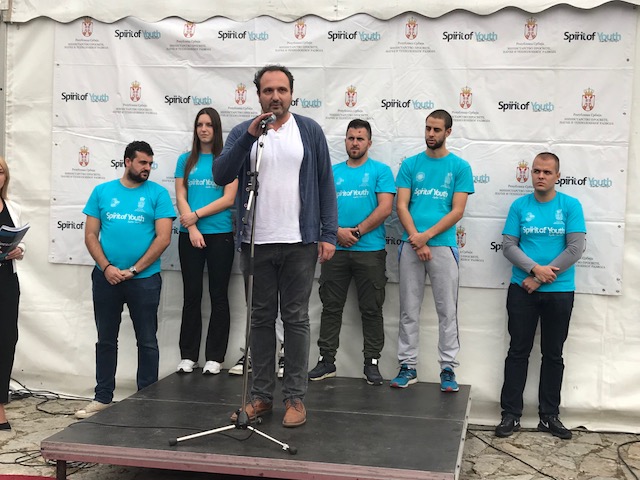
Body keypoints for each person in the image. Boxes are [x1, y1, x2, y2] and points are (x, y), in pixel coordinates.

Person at [213, 64, 337, 428]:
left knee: (295, 318)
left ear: (291, 94)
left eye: (282, 90)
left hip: (300, 243)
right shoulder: (245, 132)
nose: (275, 96)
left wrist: (329, 234)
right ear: (258, 96)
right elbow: (221, 174)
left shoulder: (309, 130)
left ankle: (295, 397)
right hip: (256, 243)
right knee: (260, 320)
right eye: (268, 90)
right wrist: (249, 138)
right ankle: (261, 397)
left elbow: (325, 183)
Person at [75, 141, 175, 419]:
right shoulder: (102, 192)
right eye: (142, 162)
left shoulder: (158, 194)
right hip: (105, 278)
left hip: (144, 280)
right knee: (106, 340)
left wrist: (133, 270)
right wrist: (106, 267)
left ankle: (146, 401)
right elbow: (90, 235)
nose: (147, 168)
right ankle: (102, 397)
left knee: (147, 340)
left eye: (150, 164)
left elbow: (163, 238)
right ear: (127, 162)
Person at [495, 152, 586, 440]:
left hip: (559, 291)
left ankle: (549, 416)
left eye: (547, 172)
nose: (540, 176)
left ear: (557, 176)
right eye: (536, 171)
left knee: (553, 354)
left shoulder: (570, 205)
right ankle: (511, 414)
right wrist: (534, 270)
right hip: (522, 291)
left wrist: (540, 278)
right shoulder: (519, 206)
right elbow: (508, 245)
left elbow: (575, 248)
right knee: (518, 351)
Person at [308, 119, 394, 386]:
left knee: (372, 309)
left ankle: (372, 363)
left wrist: (355, 232)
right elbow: (319, 207)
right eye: (350, 138)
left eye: (360, 139)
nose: (355, 143)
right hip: (335, 249)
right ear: (345, 140)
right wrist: (336, 232)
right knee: (331, 307)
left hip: (370, 251)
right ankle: (326, 361)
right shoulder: (331, 172)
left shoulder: (381, 171)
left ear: (369, 142)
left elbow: (385, 208)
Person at [392, 109, 474, 391]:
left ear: (448, 132)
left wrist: (425, 237)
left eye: (436, 129)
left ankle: (448, 368)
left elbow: (457, 210)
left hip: (442, 246)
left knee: (447, 310)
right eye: (428, 128)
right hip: (411, 245)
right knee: (408, 309)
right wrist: (416, 239)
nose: (430, 134)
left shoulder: (460, 167)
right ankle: (407, 366)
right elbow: (401, 205)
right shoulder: (411, 164)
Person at [175, 108, 238, 376]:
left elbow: (228, 199)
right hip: (189, 234)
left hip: (219, 234)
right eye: (200, 124)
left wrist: (196, 216)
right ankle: (188, 355)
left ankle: (215, 356)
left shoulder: (227, 159)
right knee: (192, 295)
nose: (204, 129)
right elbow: (180, 195)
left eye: (209, 125)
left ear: (216, 129)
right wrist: (191, 227)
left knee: (218, 295)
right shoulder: (185, 160)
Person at [0, 158, 26, 431]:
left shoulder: (13, 207)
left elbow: (20, 241)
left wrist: (19, 250)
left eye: (0, 172)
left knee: (6, 341)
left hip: (6, 280)